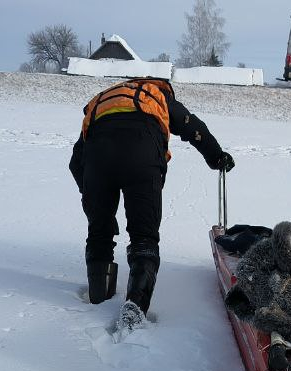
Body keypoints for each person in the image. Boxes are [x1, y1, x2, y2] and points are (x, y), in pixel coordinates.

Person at [69, 77, 234, 323]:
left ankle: (98, 297)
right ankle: (135, 307)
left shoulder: (104, 101)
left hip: (97, 157)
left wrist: (95, 206)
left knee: (99, 233)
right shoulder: (156, 95)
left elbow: (75, 162)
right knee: (144, 237)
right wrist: (216, 156)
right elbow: (192, 127)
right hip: (142, 153)